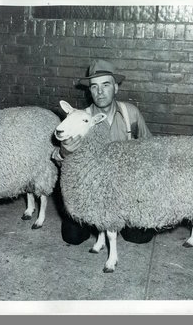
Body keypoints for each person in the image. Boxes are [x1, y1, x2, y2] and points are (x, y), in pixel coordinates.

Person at [53, 59, 156, 245]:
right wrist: (65, 151)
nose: (100, 92)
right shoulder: (80, 118)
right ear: (89, 90)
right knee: (73, 237)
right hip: (91, 190)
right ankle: (100, 223)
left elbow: (149, 148)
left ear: (116, 88)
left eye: (106, 85)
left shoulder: (130, 113)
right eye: (94, 86)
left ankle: (117, 219)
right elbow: (58, 157)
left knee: (140, 237)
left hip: (124, 187)